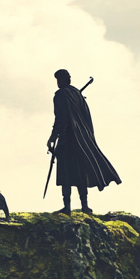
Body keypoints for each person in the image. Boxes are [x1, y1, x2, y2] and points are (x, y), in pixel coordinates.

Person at [47, 69, 121, 214]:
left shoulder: (61, 95)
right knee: (79, 173)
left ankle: (67, 208)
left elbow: (60, 119)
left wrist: (52, 137)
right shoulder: (76, 94)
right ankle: (84, 206)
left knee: (66, 173)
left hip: (68, 140)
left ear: (62, 80)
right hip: (81, 140)